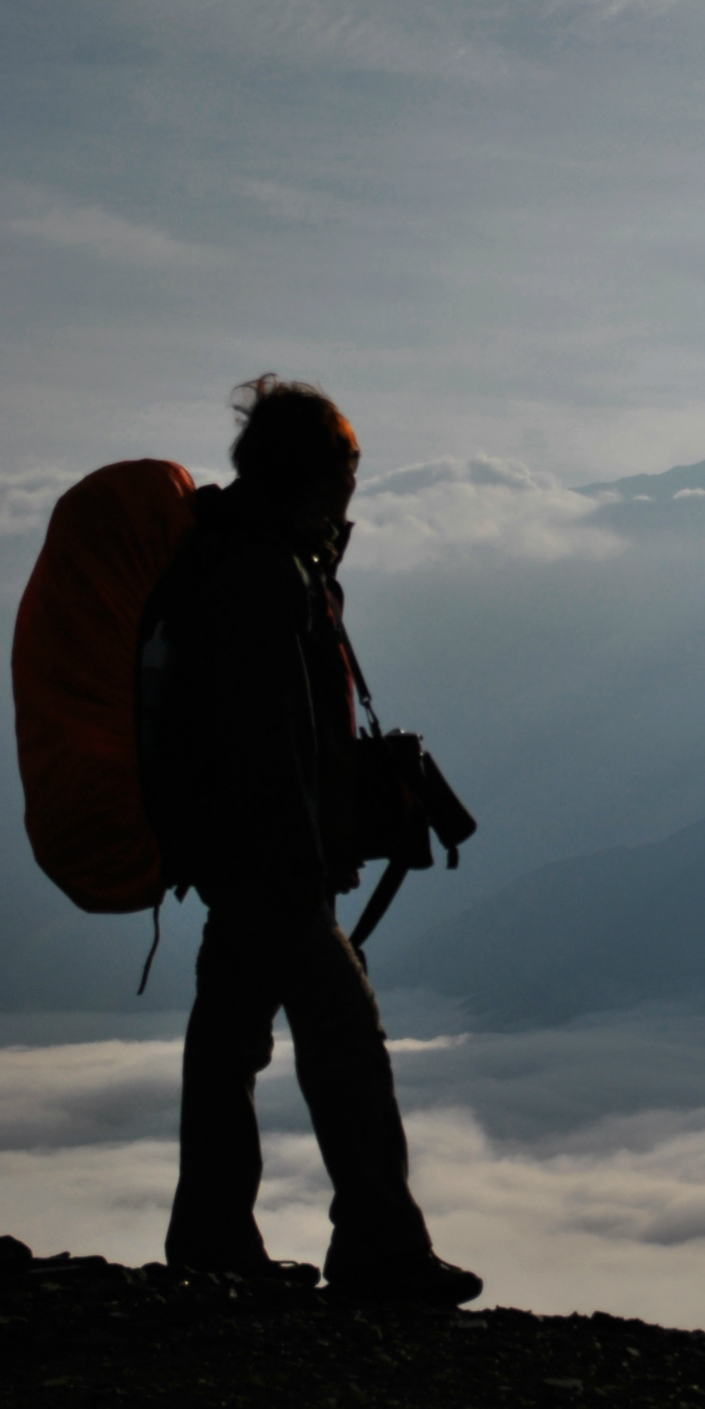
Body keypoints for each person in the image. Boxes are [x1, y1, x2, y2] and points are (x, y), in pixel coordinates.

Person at [149, 374, 481, 1305]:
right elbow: (270, 735)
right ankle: (379, 1246)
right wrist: (302, 856)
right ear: (319, 469)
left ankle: (212, 1238)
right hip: (272, 861)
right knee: (345, 1037)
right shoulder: (263, 570)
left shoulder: (241, 555)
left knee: (227, 1041)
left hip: (235, 854)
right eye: (348, 465)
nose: (354, 486)